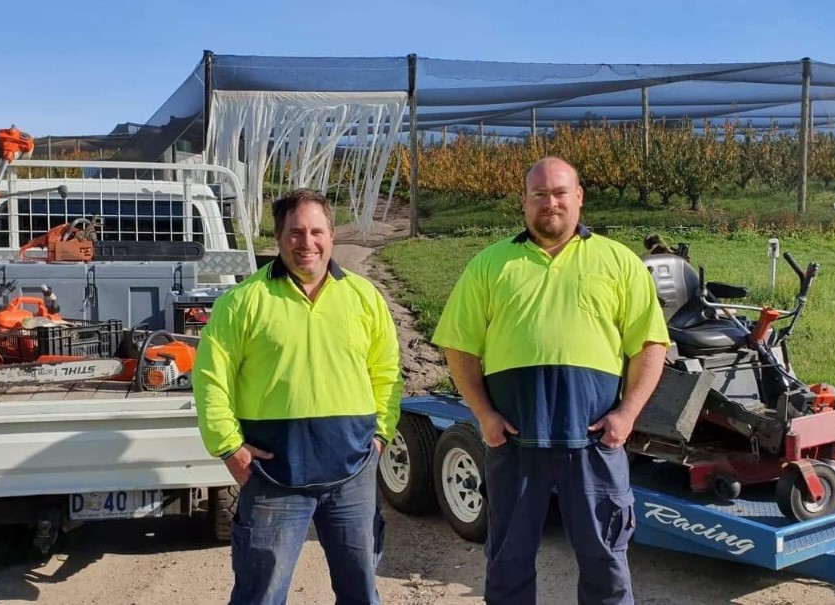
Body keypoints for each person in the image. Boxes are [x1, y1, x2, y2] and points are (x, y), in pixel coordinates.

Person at [432, 157, 671, 605]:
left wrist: (627, 414)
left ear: (579, 198)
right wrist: (484, 416)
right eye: (539, 194)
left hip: (595, 444)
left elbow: (650, 345)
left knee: (606, 562)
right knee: (508, 562)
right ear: (523, 202)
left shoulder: (617, 261)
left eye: (560, 192)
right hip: (516, 445)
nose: (550, 202)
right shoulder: (491, 264)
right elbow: (459, 346)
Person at [192, 188, 403, 605]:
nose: (306, 242)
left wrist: (380, 436)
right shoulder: (243, 302)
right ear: (278, 236)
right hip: (275, 476)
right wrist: (229, 446)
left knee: (361, 591)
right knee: (261, 595)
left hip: (353, 473)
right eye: (295, 232)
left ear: (331, 236)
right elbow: (210, 378)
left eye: (316, 231)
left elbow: (387, 372)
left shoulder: (364, 298)